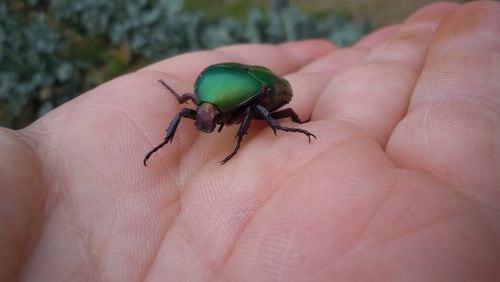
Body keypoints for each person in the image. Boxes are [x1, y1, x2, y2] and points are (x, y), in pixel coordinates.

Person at [1, 1, 499, 281]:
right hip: (236, 84)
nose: (203, 119)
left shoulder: (251, 98)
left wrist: (256, 133)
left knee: (268, 117)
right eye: (203, 112)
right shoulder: (201, 96)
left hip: (266, 94)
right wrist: (169, 136)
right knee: (197, 112)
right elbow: (194, 103)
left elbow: (257, 103)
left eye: (209, 115)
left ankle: (281, 127)